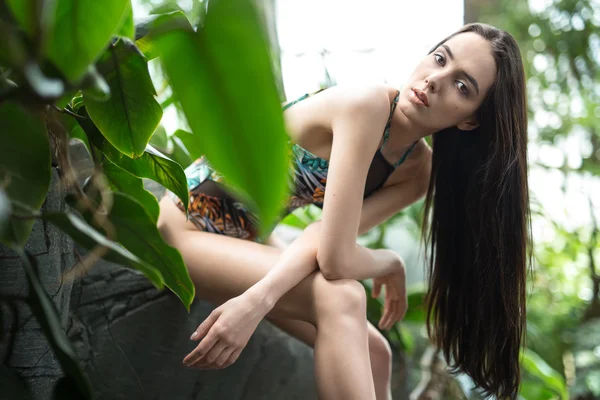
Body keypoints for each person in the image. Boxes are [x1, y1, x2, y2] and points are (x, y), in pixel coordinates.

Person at [157, 22, 530, 399]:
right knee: (342, 297)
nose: (435, 80)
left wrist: (258, 299)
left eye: (462, 86)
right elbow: (335, 260)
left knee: (376, 352)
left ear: (470, 120)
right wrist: (387, 262)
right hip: (184, 226)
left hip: (239, 243)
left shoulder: (416, 172)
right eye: (439, 59)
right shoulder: (366, 105)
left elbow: (324, 240)